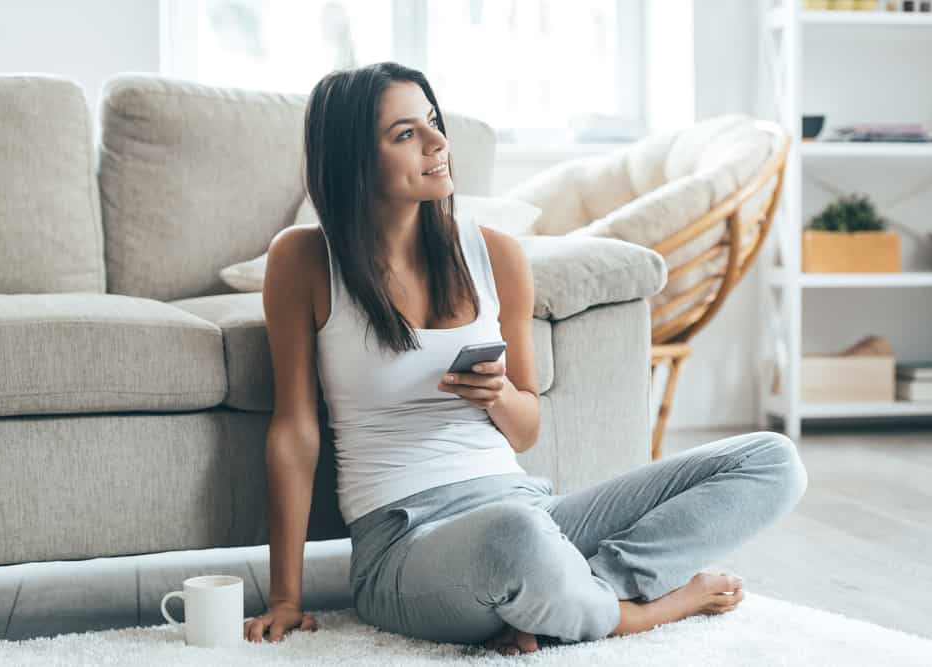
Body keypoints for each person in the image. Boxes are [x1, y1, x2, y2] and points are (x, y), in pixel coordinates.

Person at [243, 61, 809, 655]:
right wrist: (286, 596)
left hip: (531, 508)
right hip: (403, 543)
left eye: (434, 122)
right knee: (515, 540)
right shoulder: (305, 260)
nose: (439, 143)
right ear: (354, 159)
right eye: (406, 134)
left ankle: (578, 593)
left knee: (771, 460)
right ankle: (641, 612)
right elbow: (294, 432)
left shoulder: (496, 256)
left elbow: (526, 430)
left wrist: (498, 395)